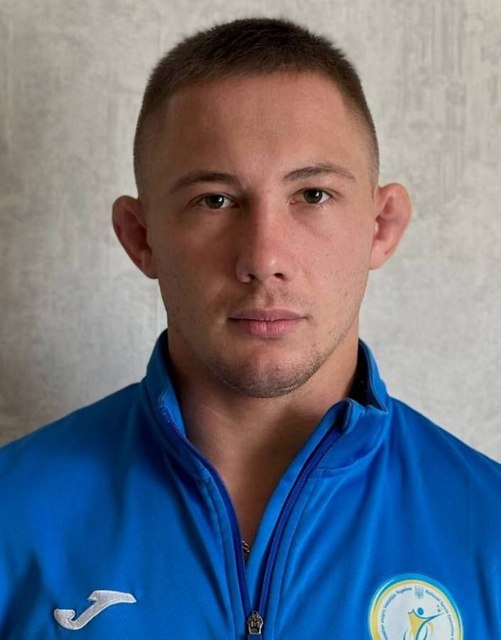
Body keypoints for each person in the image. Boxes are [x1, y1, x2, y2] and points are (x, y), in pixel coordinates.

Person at [0, 17, 499, 640]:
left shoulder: (489, 530)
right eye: (215, 200)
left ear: (381, 226)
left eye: (313, 194)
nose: (264, 258)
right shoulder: (12, 516)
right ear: (140, 236)